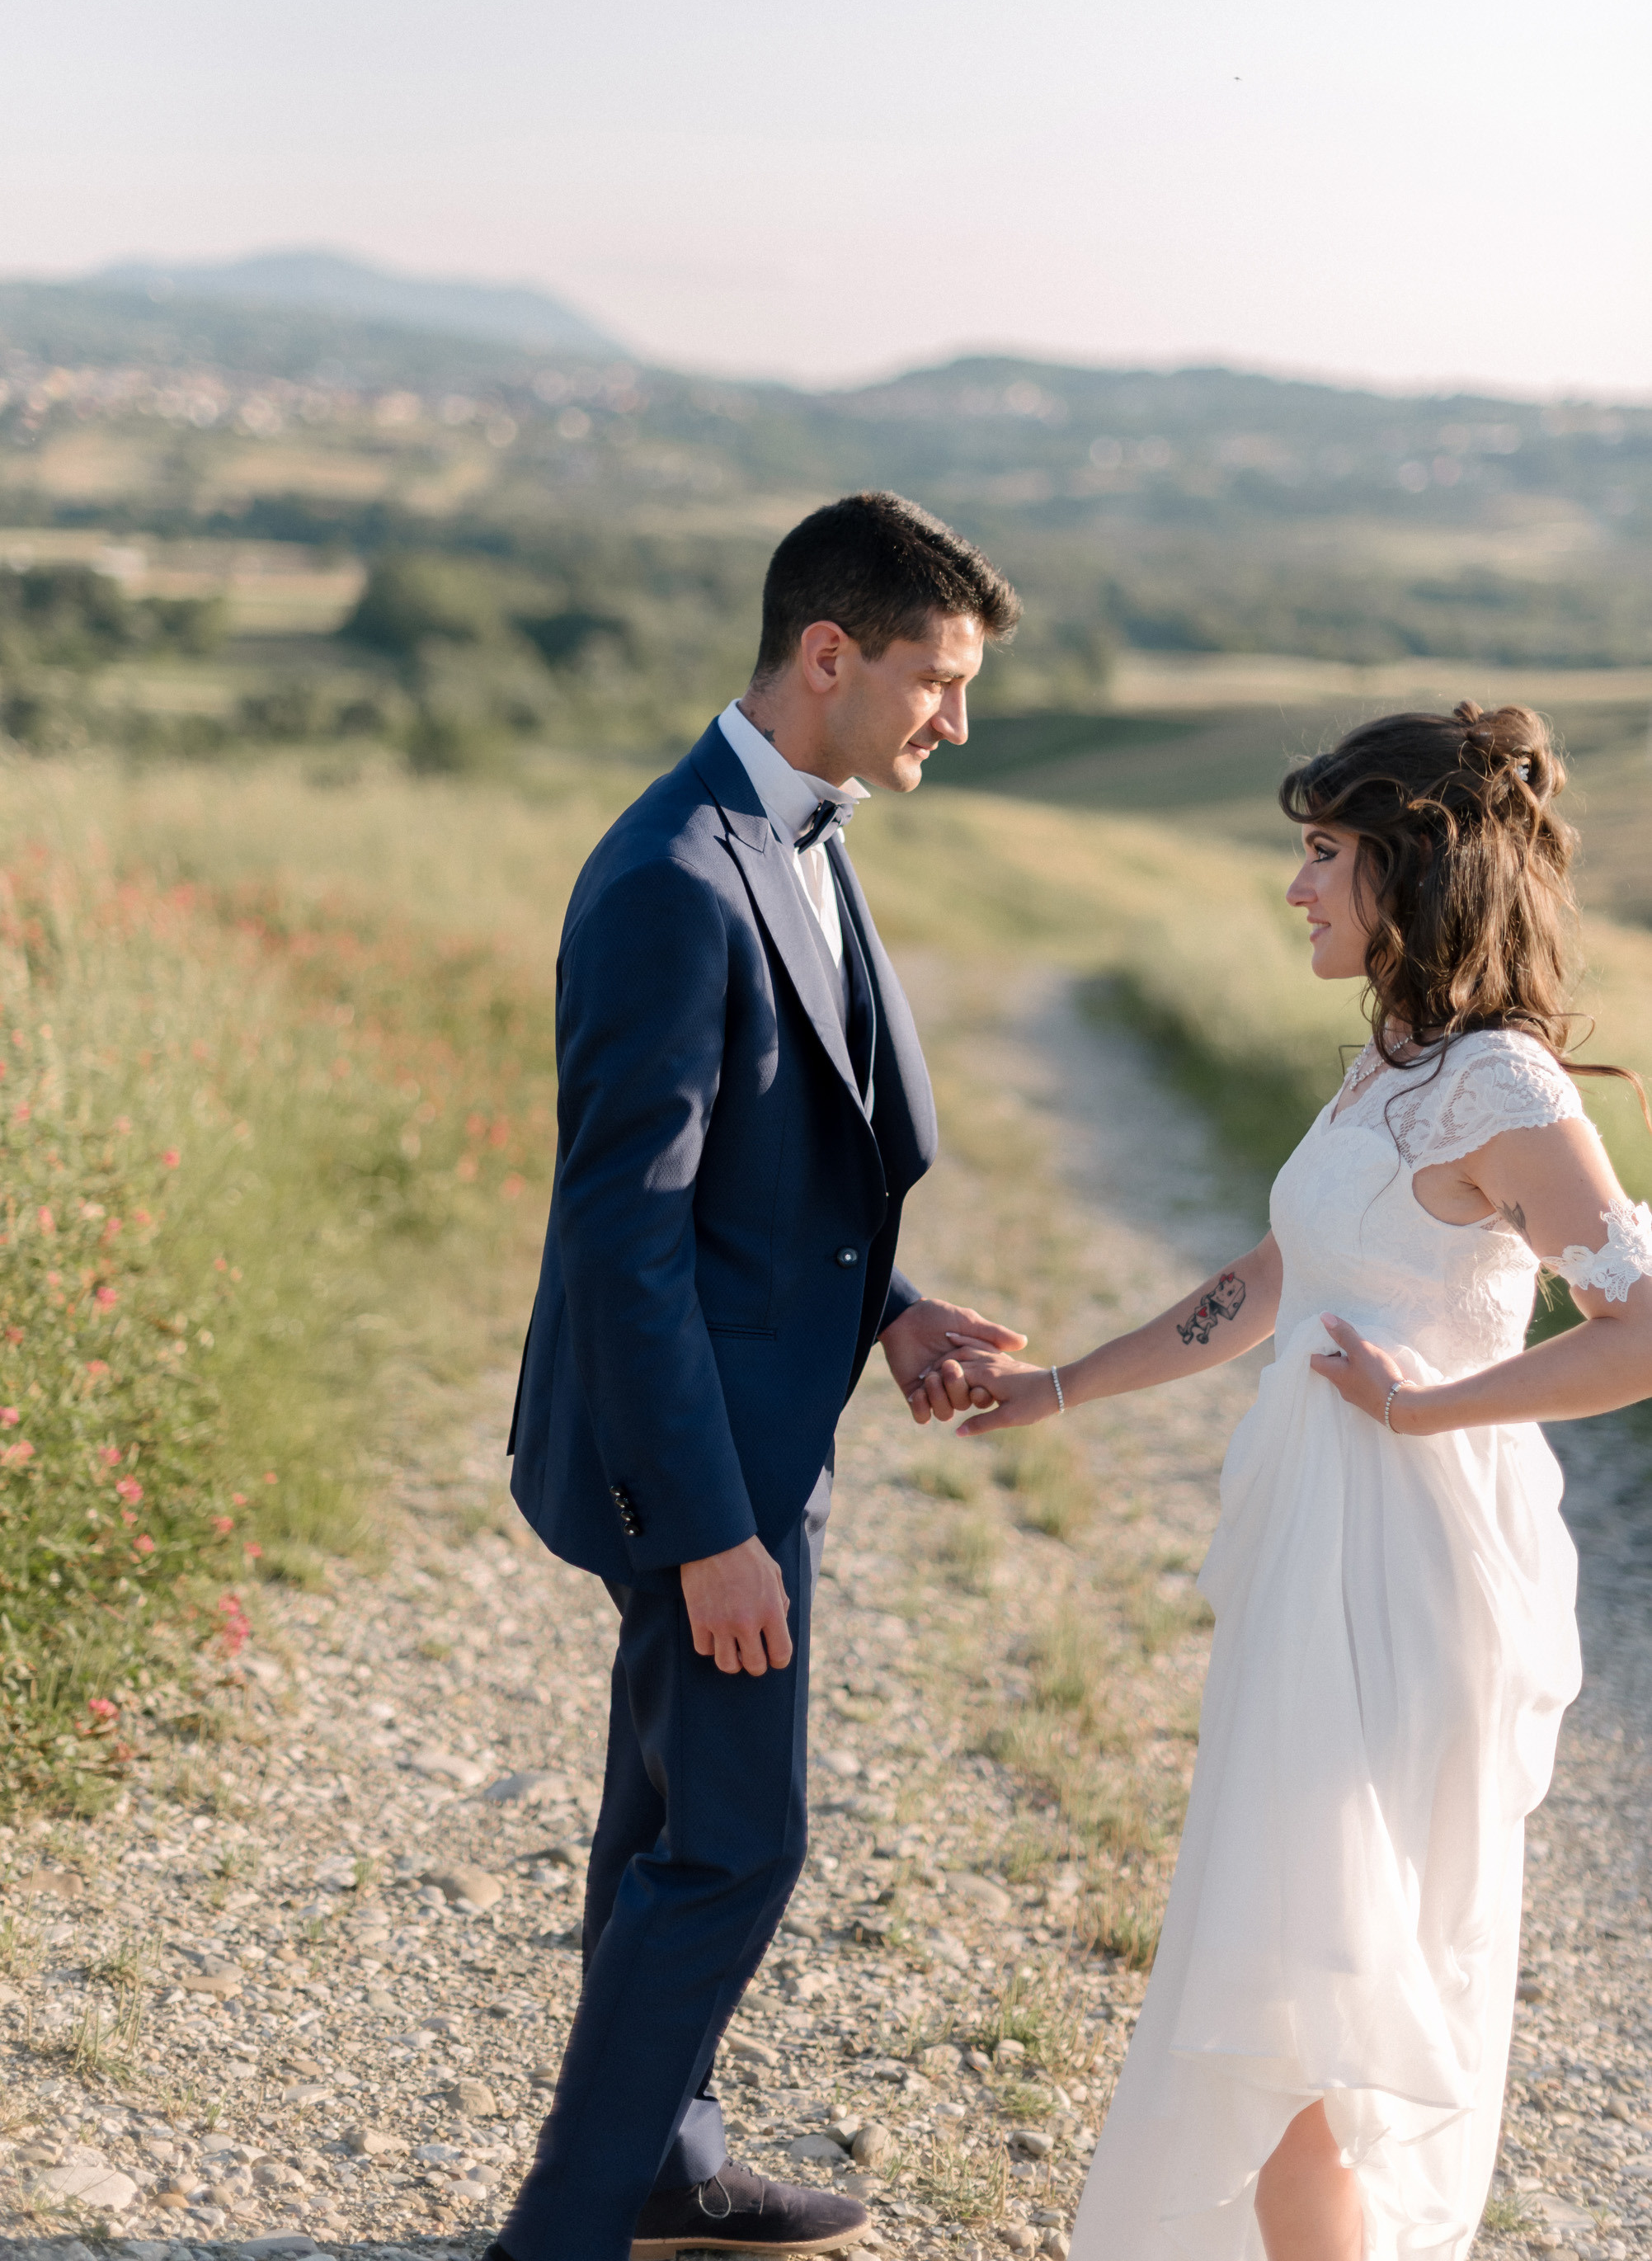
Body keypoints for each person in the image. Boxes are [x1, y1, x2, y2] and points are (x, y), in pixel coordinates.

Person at [937, 702, 1652, 2260]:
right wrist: (1061, 1386)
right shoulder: (1391, 1066)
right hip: (1312, 1549)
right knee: (1291, 1962)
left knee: (1324, 1992)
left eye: (1326, 853)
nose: (1297, 887)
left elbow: (1641, 1334)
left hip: (1414, 1564)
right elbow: (1277, 1276)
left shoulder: (1505, 1090)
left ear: (1422, 869)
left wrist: (1435, 1408)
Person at [492, 492, 1029, 2261]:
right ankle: (566, 2232)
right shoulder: (668, 876)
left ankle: (667, 2159)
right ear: (828, 657)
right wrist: (709, 1532)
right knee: (735, 1843)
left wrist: (891, 1312)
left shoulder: (800, 829)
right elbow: (624, 1245)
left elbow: (770, 1175)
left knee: (665, 1813)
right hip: (698, 1457)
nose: (956, 720)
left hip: (767, 1411)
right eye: (937, 683)